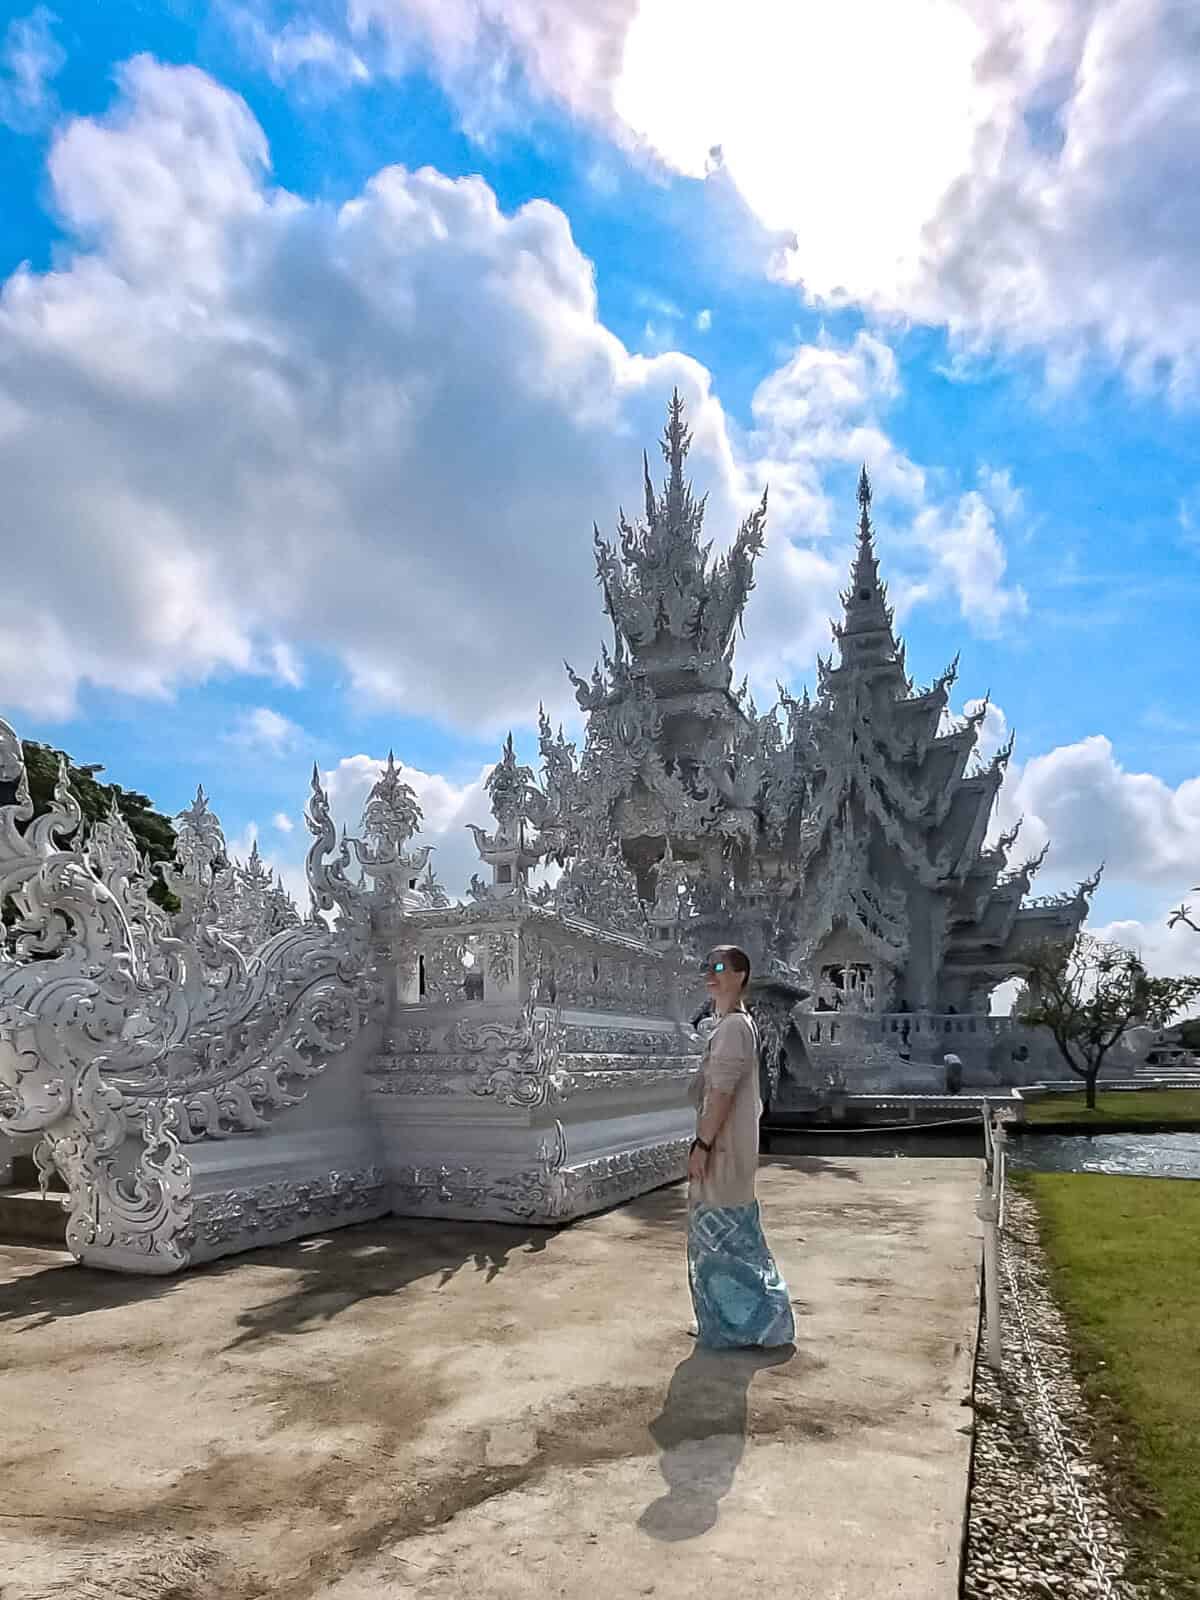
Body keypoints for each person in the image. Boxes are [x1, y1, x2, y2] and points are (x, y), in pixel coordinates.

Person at [686, 945, 795, 1350]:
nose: (710, 975)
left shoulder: (733, 1027)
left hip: (723, 1149)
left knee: (725, 1241)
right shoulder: (732, 1024)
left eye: (719, 968)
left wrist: (703, 1144)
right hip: (730, 1147)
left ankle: (758, 1324)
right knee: (724, 1239)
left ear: (741, 976)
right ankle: (734, 1323)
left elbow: (722, 1092)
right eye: (706, 968)